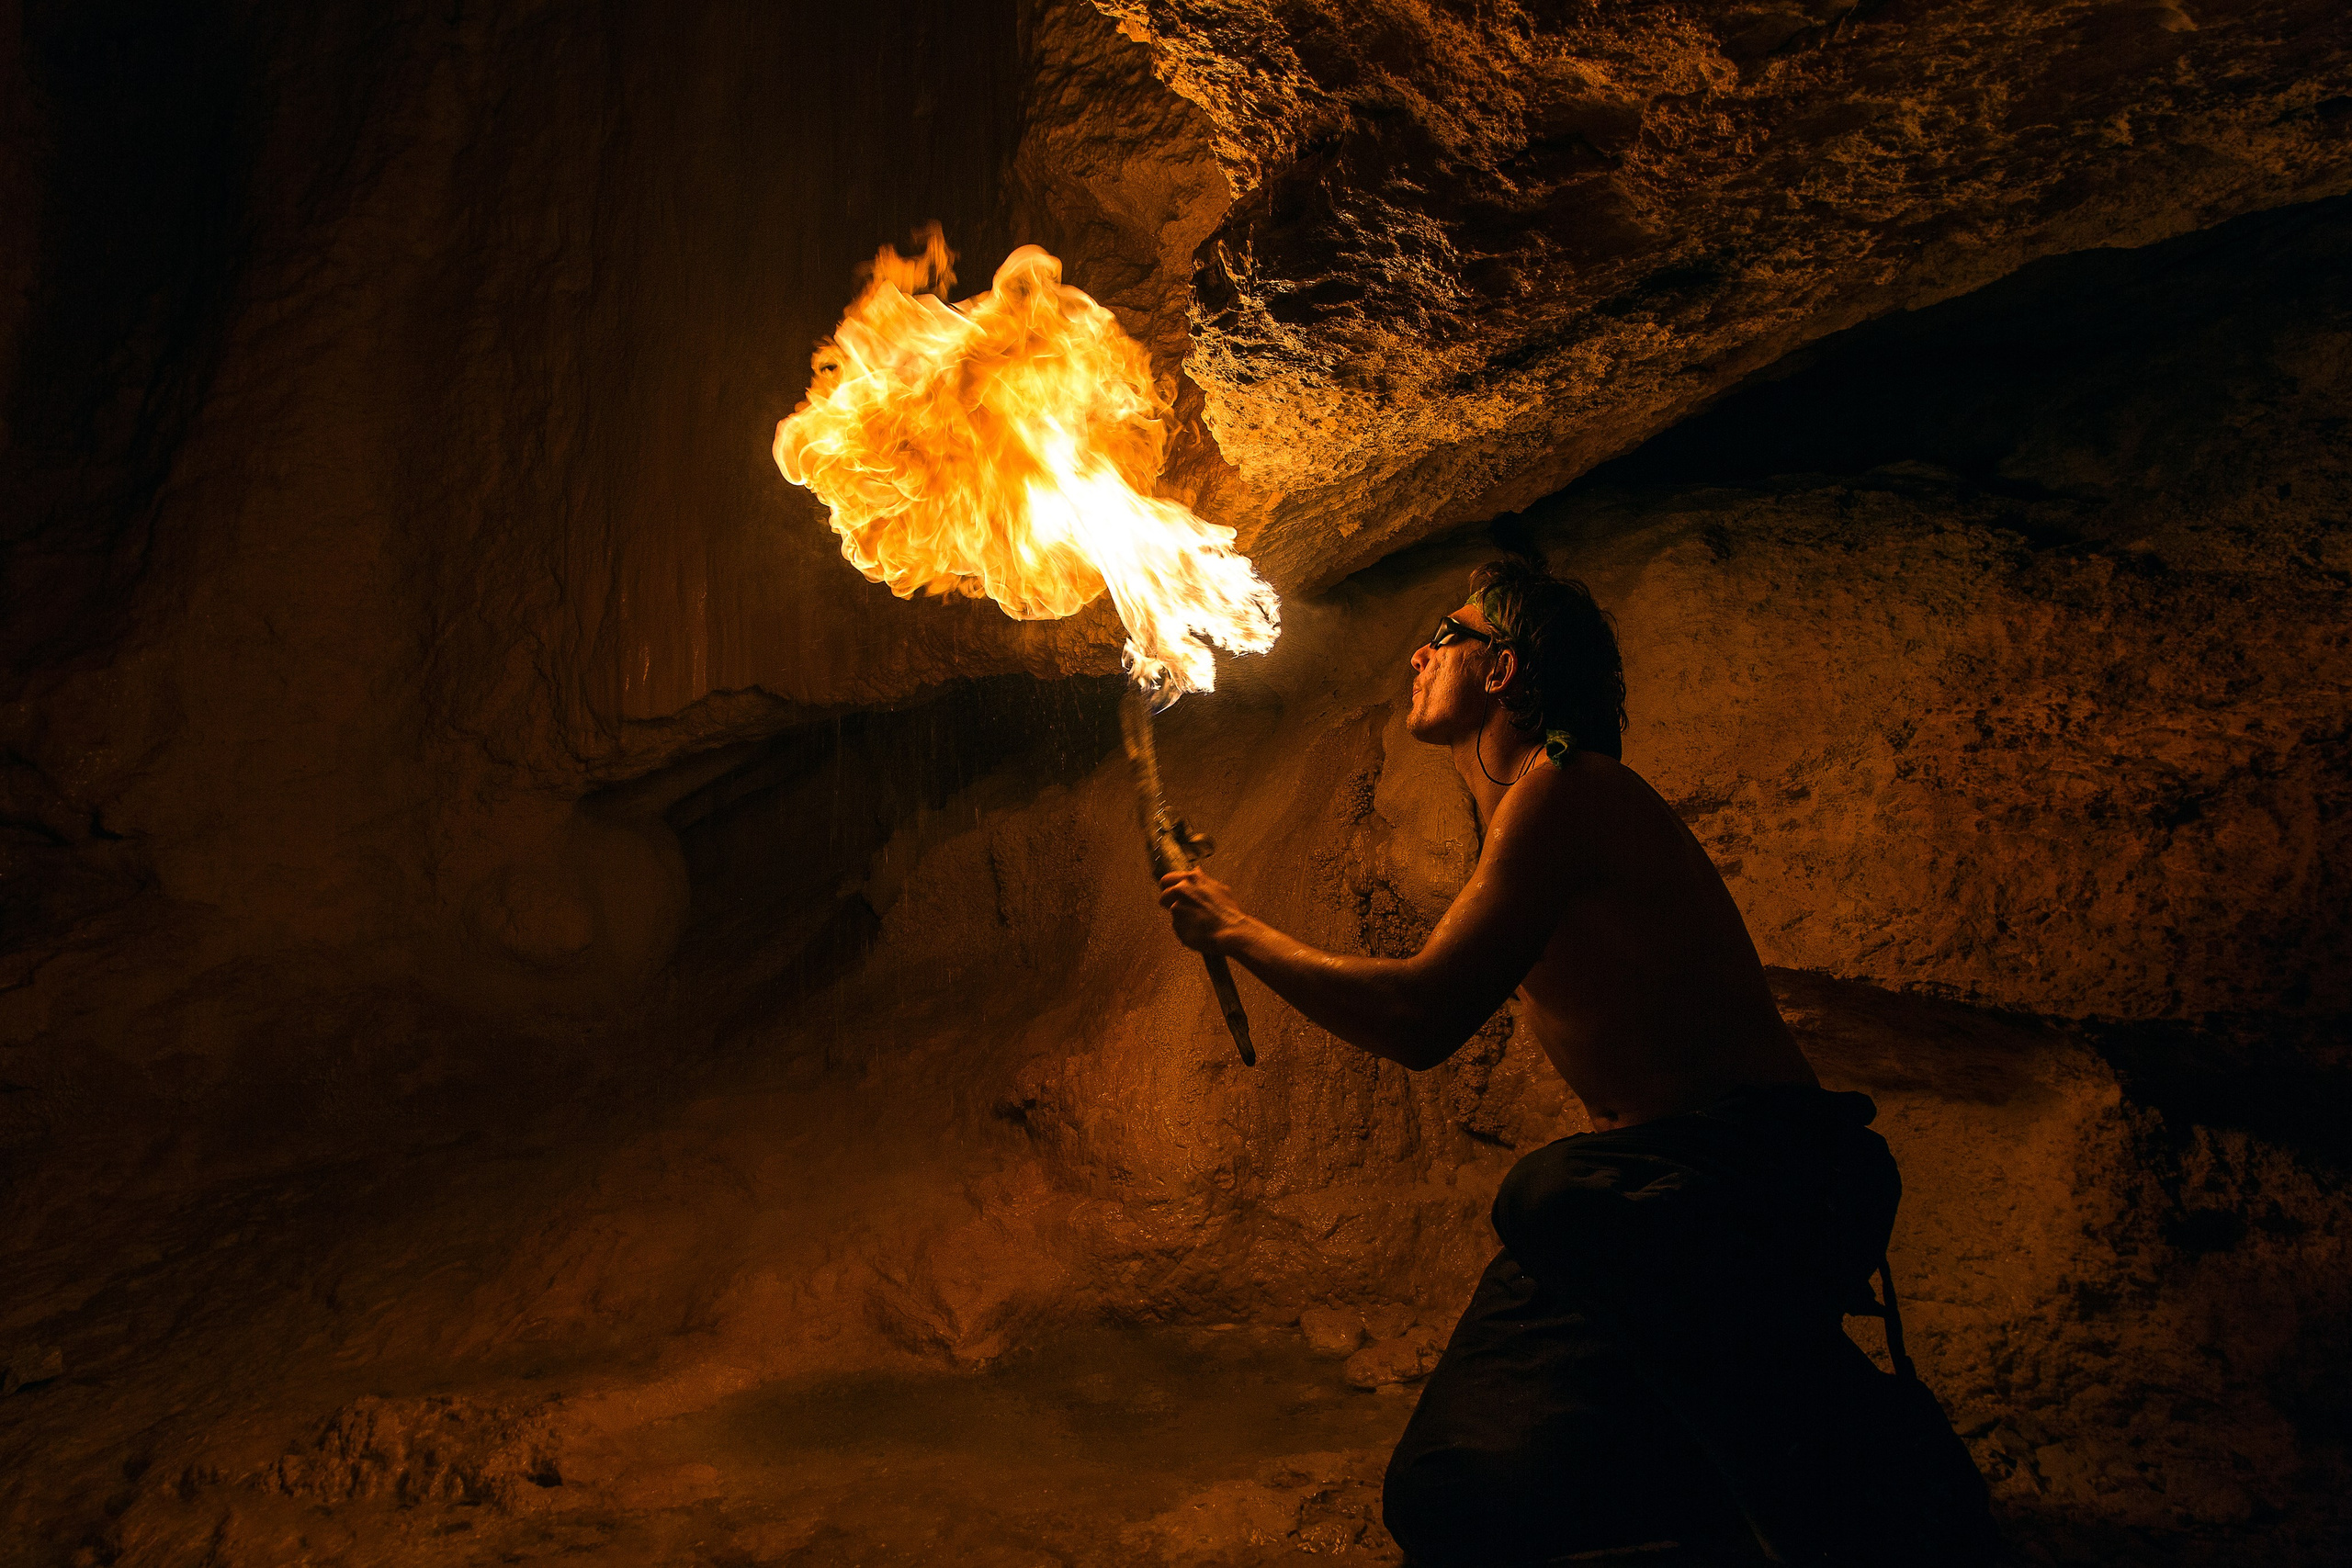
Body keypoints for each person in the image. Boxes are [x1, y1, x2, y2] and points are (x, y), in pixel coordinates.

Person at [1158, 555, 1996, 1566]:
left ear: (1503, 670)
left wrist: (1237, 929)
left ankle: (1847, 1471)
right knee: (1447, 1498)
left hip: (1744, 1181)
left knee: (1552, 1195)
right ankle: (1721, 1475)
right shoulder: (1526, 803)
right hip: (1637, 1206)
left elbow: (1423, 1018)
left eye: (1447, 633)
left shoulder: (1569, 789)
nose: (1419, 653)